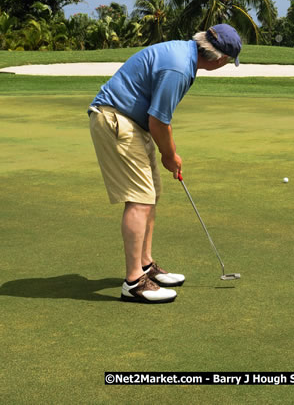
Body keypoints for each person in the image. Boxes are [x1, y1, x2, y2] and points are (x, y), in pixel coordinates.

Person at [88, 24, 242, 303]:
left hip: (132, 122)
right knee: (139, 199)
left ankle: (145, 265)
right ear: (219, 59)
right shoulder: (179, 68)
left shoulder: (183, 54)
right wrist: (170, 155)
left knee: (151, 193)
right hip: (116, 119)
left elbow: (155, 119)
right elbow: (159, 120)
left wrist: (166, 153)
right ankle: (134, 282)